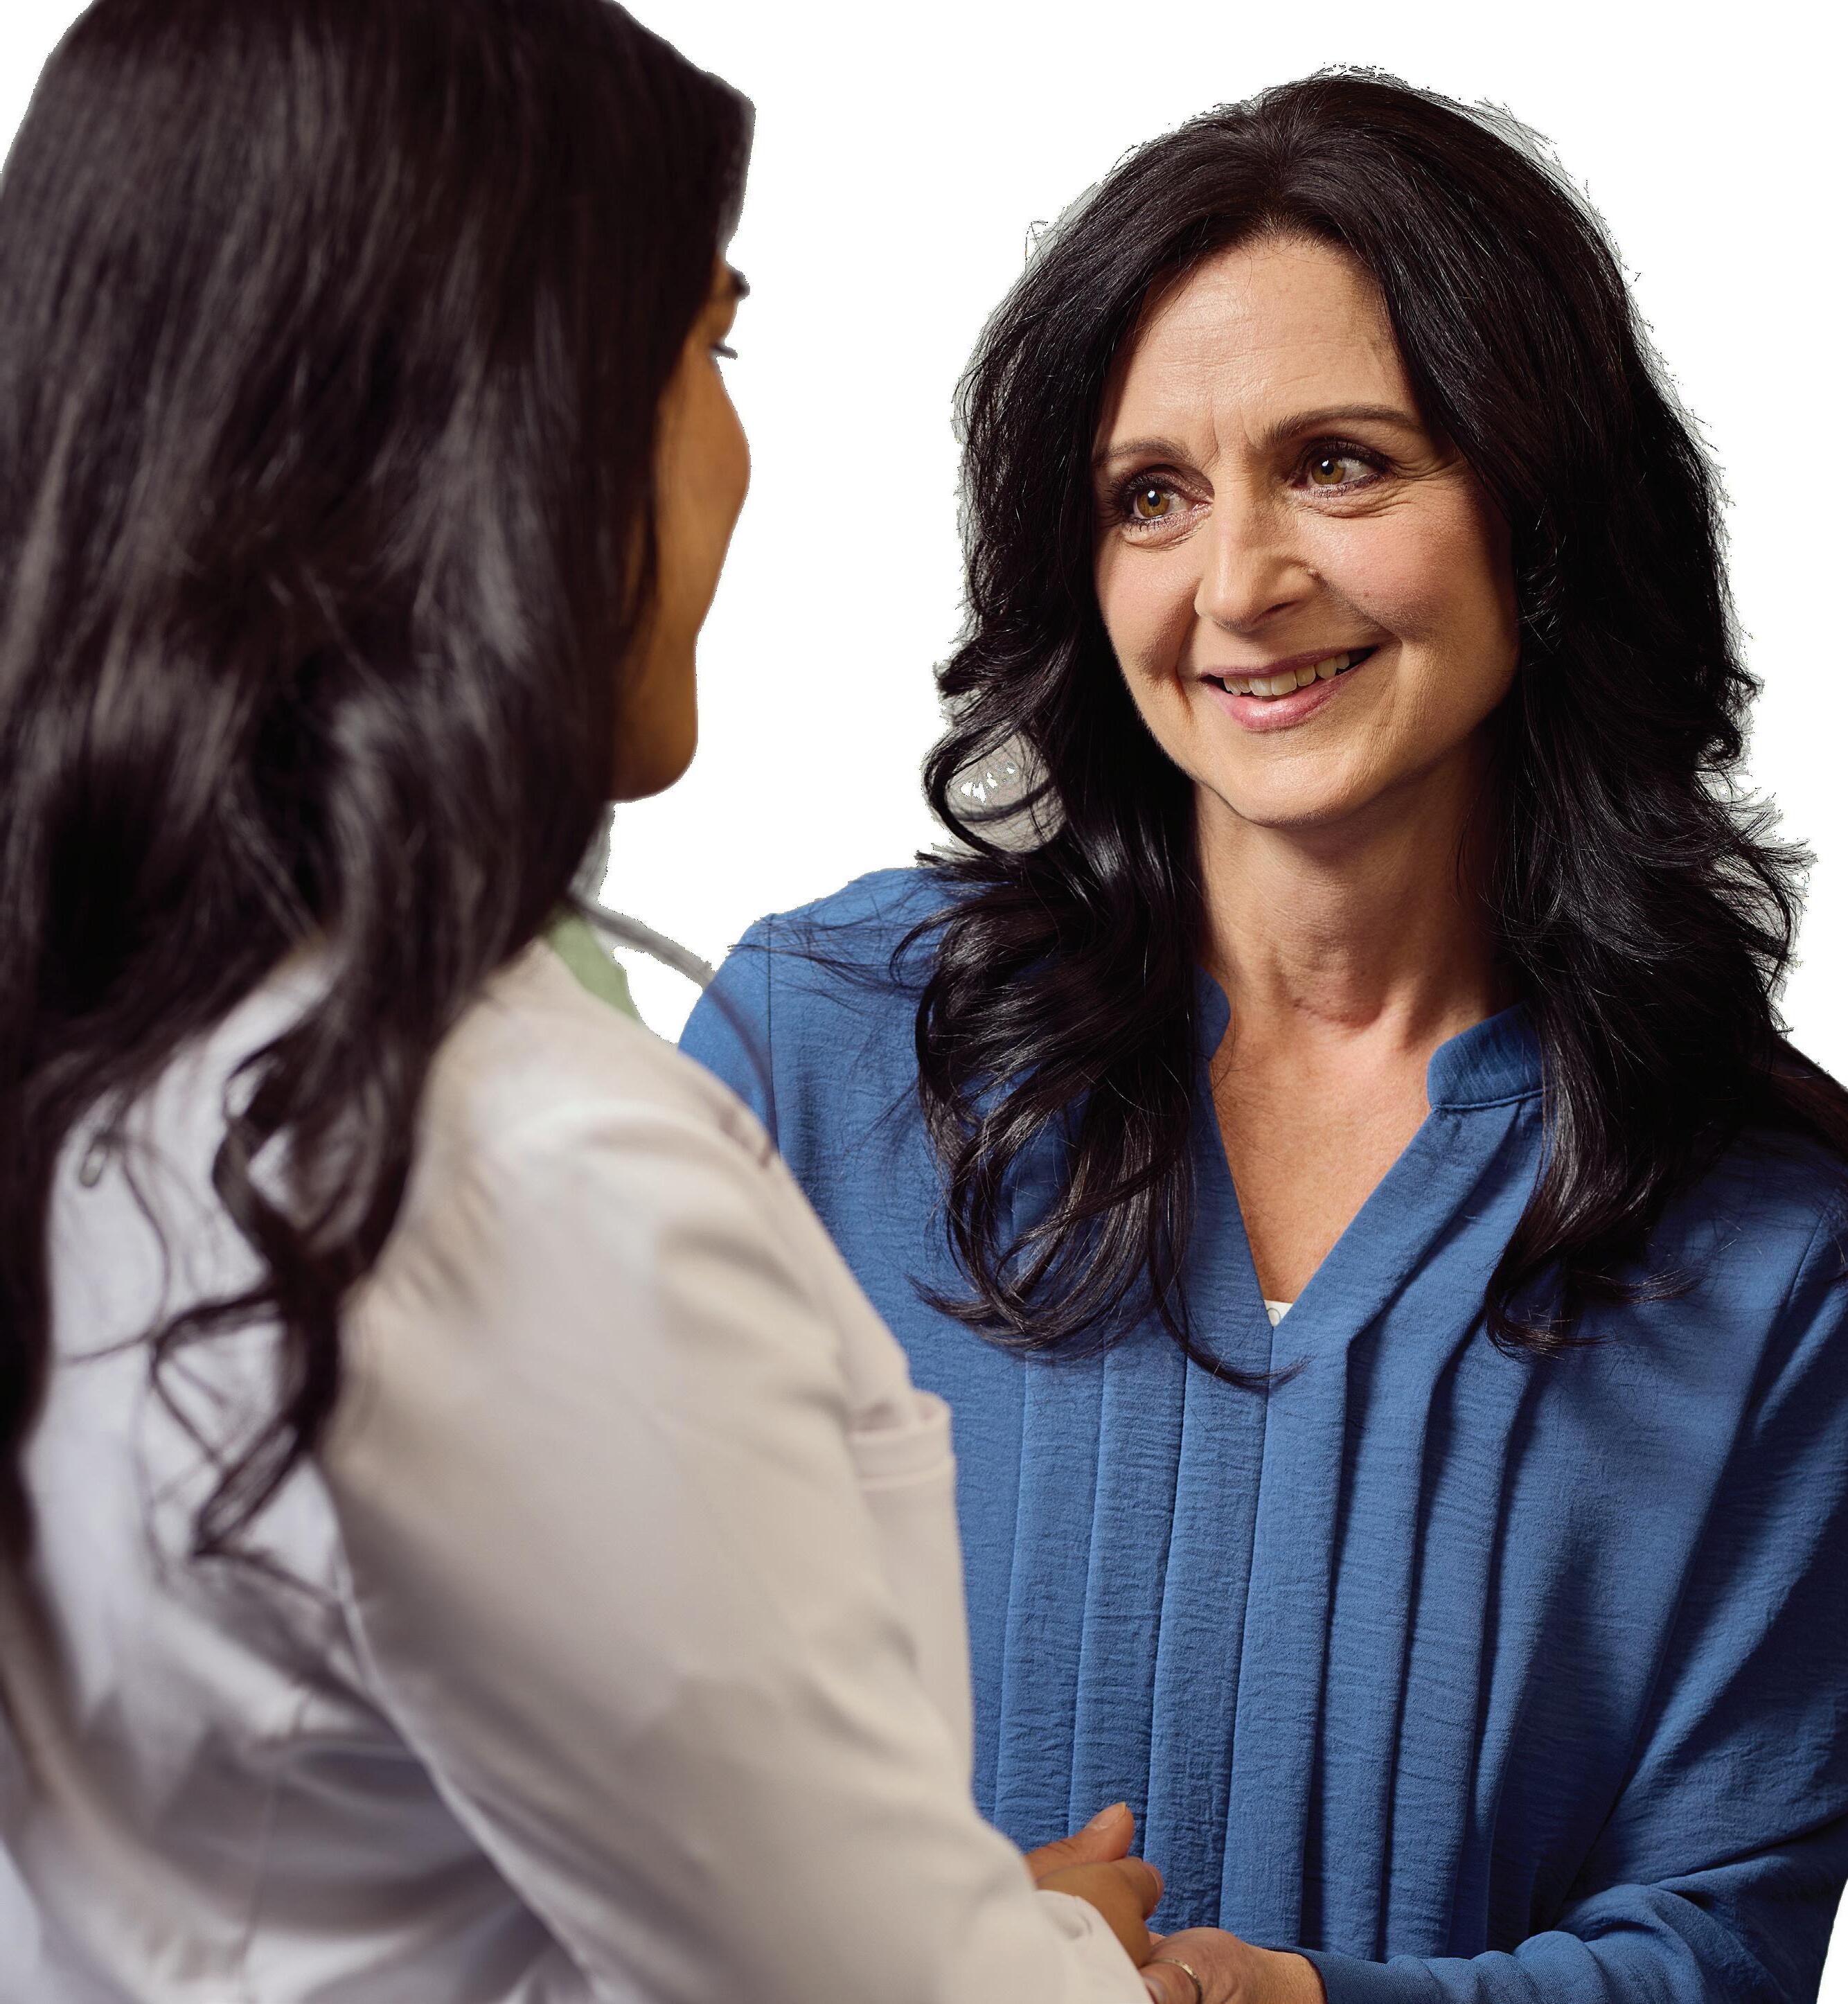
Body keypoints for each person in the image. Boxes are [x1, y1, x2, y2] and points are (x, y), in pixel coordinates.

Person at [0, 2, 1256, 1998]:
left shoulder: (113, 1056)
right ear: (510, 420)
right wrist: (1043, 1956)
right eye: (707, 349)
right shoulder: (529, 1169)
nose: (732, 452)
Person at [682, 71, 1848, 2004]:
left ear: (1541, 511)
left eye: (1340, 466)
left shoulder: (1772, 1244)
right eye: (1151, 497)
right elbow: (545, 1736)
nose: (1236, 586)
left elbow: (1717, 1942)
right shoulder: (824, 1045)